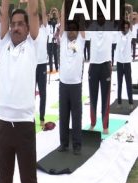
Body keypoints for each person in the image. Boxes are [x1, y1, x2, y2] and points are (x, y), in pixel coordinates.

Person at [0, 0, 39, 183]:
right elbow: (3, 12)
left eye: (21, 23)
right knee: (4, 179)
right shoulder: (3, 45)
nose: (16, 27)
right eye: (13, 23)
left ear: (28, 27)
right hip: (3, 123)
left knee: (28, 181)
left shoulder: (33, 45)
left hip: (24, 125)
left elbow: (33, 10)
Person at [57, 2, 85, 155]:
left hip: (75, 85)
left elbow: (82, 21)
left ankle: (77, 144)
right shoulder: (63, 41)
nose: (72, 32)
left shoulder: (80, 41)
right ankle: (63, 143)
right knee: (63, 114)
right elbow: (62, 19)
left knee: (76, 115)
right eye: (70, 29)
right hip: (63, 85)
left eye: (74, 30)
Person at [88, 15, 114, 134]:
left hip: (105, 65)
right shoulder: (92, 28)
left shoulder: (110, 27)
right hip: (93, 65)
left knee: (105, 98)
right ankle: (93, 123)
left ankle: (105, 126)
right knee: (93, 97)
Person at [116, 21, 134, 109]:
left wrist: (129, 16)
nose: (125, 29)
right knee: (119, 83)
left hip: (127, 63)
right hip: (119, 63)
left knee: (128, 83)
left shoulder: (129, 35)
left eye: (127, 27)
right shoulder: (118, 34)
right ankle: (119, 102)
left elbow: (131, 27)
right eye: (124, 27)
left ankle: (131, 102)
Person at [35, 0, 48, 127]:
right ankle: (28, 117)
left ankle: (42, 118)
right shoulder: (31, 32)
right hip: (32, 65)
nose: (38, 21)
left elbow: (44, 13)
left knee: (43, 93)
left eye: (39, 19)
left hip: (43, 64)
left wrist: (41, 2)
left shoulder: (44, 29)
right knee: (29, 93)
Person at [47, 7, 59, 73]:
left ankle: (57, 68)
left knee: (55, 55)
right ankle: (51, 68)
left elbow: (59, 21)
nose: (54, 14)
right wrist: (51, 11)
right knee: (50, 55)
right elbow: (48, 19)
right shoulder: (50, 21)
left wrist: (56, 12)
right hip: (50, 41)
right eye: (53, 13)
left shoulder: (57, 20)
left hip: (55, 41)